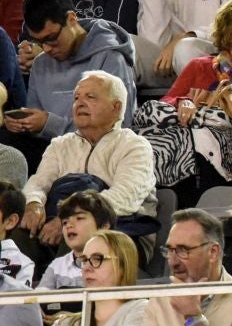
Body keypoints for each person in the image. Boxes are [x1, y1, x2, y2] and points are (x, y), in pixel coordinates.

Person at [133, 0, 232, 198]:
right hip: (193, 146)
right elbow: (167, 101)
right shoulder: (200, 66)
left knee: (195, 139)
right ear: (230, 27)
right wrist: (183, 102)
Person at [19, 67, 154, 265]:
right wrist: (34, 204)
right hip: (58, 225)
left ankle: (65, 294)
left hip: (123, 232)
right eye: (76, 98)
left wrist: (69, 220)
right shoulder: (60, 145)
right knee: (19, 233)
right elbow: (38, 184)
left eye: (90, 97)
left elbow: (124, 197)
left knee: (81, 235)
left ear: (116, 107)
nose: (80, 103)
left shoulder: (134, 145)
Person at [12, 0, 133, 153]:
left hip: (99, 156)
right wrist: (23, 124)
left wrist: (49, 124)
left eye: (51, 38)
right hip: (51, 153)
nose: (46, 49)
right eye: (39, 42)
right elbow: (35, 125)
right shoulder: (41, 64)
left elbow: (115, 131)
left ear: (71, 19)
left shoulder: (110, 58)